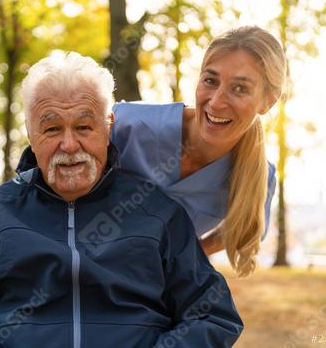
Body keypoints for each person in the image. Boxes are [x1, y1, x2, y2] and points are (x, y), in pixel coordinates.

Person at [0, 51, 243, 347]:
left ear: (108, 127)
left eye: (84, 126)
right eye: (51, 129)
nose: (70, 145)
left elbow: (212, 315)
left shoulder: (159, 214)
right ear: (30, 134)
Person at [111, 26, 287, 277]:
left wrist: (184, 257)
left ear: (268, 101)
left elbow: (245, 229)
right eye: (210, 81)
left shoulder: (259, 177)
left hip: (147, 294)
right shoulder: (126, 125)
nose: (216, 102)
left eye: (240, 88)